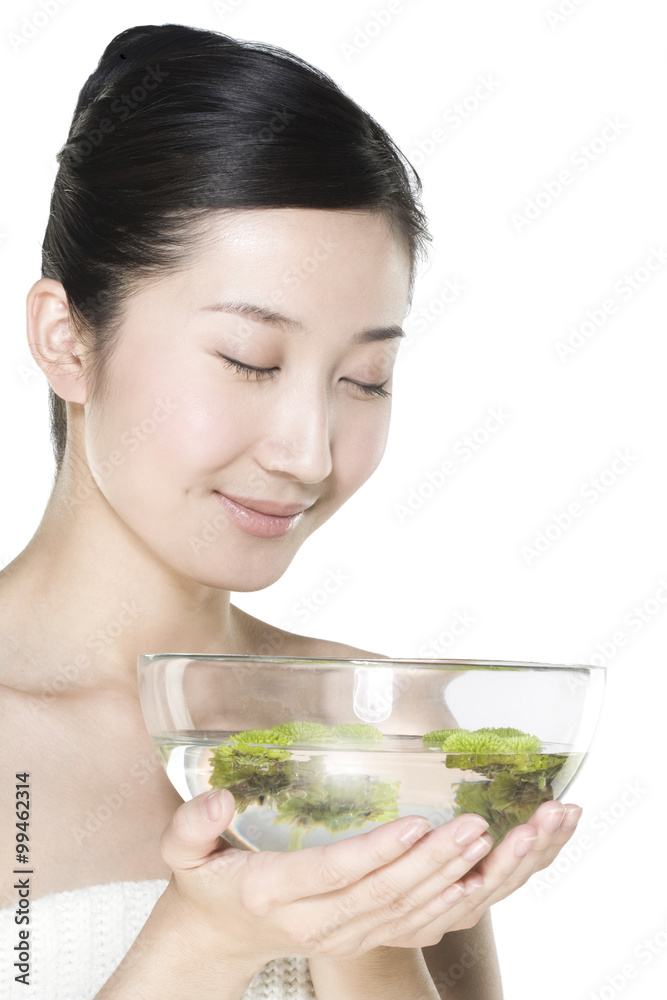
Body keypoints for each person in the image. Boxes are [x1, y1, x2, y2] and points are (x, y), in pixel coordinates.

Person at [0, 22, 583, 1000]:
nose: (308, 451)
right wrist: (202, 942)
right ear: (67, 340)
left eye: (365, 378)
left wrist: (368, 932)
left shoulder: (377, 735)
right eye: (249, 361)